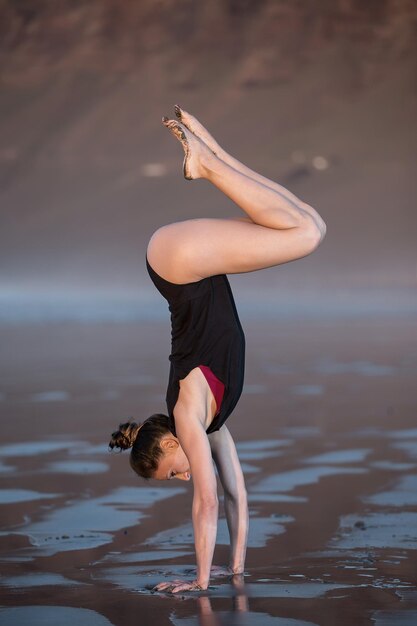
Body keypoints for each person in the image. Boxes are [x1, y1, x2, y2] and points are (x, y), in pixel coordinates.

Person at [109, 105, 326, 594]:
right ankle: (207, 146)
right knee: (310, 223)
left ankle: (205, 162)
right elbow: (235, 495)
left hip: (179, 266)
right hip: (184, 263)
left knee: (306, 236)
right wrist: (237, 569)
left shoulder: (188, 417)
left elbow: (205, 503)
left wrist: (201, 583)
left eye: (170, 473)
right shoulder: (211, 423)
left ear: (169, 444)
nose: (181, 478)